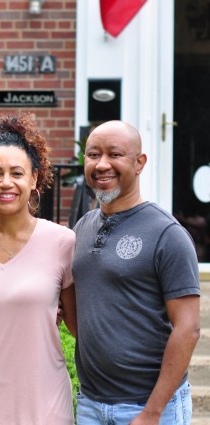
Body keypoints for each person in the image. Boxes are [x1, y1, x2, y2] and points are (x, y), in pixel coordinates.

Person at [0, 113, 77, 425]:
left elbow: (81, 328)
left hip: (44, 405)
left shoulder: (62, 242)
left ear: (34, 178)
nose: (6, 182)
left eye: (16, 173)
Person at [72, 120, 200, 424]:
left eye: (114, 154)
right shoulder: (81, 228)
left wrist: (151, 413)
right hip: (91, 403)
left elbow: (188, 329)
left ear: (139, 162)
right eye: (93, 155)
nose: (102, 164)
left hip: (151, 407)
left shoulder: (167, 233)